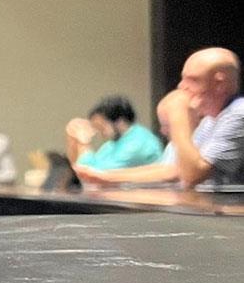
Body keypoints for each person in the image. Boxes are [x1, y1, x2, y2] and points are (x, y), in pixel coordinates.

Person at [77, 47, 243, 189]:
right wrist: (105, 177)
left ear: (219, 84)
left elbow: (192, 175)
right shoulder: (211, 120)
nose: (181, 86)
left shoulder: (238, 113)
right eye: (182, 78)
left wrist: (178, 115)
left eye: (192, 80)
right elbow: (174, 170)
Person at [64, 95, 162, 171]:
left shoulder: (140, 142)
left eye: (101, 127)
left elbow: (95, 173)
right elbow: (79, 168)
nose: (100, 132)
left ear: (120, 122)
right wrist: (73, 139)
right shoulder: (111, 144)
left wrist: (84, 142)